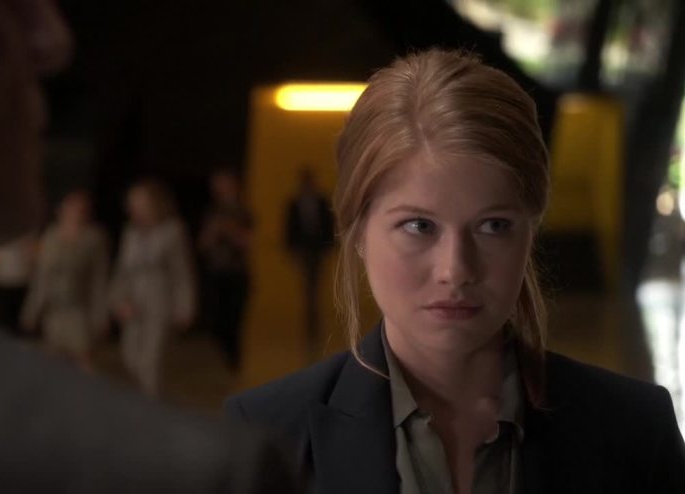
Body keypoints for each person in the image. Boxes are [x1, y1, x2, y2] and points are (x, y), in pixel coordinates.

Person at [225, 49, 685, 493]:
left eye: (493, 226)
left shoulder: (635, 430)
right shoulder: (266, 435)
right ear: (357, 230)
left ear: (531, 231)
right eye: (418, 226)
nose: (456, 270)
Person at [0, 1, 299, 492]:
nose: (51, 41)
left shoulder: (148, 235)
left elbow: (152, 270)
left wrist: (162, 302)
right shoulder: (187, 472)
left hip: (147, 305)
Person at [110, 178, 196, 395]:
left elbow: (181, 273)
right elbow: (122, 271)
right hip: (133, 302)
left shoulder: (173, 231)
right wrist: (118, 300)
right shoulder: (130, 233)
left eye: (140, 202)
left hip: (160, 301)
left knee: (151, 362)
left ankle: (151, 407)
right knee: (130, 357)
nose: (135, 207)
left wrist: (185, 307)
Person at [21, 189, 109, 367]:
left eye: (81, 209)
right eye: (71, 208)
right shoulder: (51, 236)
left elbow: (99, 280)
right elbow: (42, 278)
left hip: (79, 310)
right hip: (54, 310)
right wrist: (32, 310)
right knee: (55, 361)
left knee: (84, 357)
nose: (75, 213)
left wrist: (100, 315)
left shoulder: (94, 238)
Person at [199, 169, 253, 371]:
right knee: (215, 322)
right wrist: (212, 232)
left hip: (236, 273)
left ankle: (233, 363)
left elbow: (247, 243)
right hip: (215, 272)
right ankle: (223, 360)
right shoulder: (211, 212)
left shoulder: (243, 211)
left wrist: (229, 230)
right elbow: (203, 244)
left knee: (233, 321)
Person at [285, 167, 334, 361]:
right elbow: (289, 227)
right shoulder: (294, 203)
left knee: (314, 286)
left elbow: (329, 225)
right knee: (308, 287)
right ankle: (310, 321)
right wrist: (292, 248)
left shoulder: (322, 202)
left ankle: (313, 321)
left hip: (318, 250)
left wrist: (329, 247)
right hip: (303, 250)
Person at [0, 234, 37, 335]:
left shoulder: (25, 232)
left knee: (12, 319)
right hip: (6, 280)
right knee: (7, 319)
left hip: (18, 280)